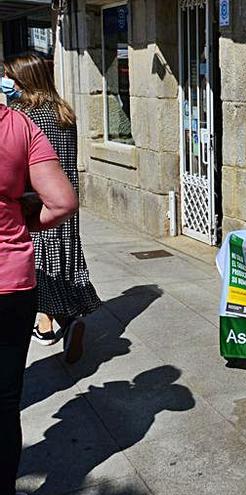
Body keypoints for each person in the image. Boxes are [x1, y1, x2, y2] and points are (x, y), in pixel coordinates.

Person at [0, 102, 78, 495]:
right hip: (11, 282)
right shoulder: (17, 124)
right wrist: (24, 220)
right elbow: (63, 201)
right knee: (5, 399)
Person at [4, 54, 101, 362]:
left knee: (43, 270)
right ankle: (58, 322)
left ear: (23, 81)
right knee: (64, 265)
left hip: (37, 205)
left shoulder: (22, 114)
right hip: (64, 202)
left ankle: (56, 324)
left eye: (12, 79)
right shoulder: (63, 111)